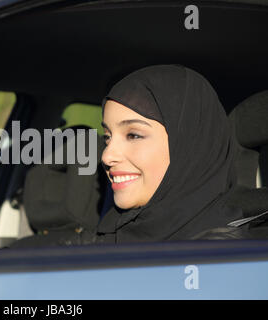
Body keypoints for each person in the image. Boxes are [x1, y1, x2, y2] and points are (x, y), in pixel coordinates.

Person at [94, 64, 245, 243]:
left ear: (190, 147)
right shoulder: (110, 235)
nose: (106, 156)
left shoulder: (222, 258)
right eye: (107, 137)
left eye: (133, 135)